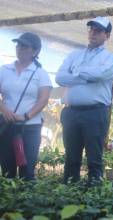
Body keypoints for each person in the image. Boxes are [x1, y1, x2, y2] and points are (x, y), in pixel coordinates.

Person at [55, 17, 113, 184]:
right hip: (71, 112)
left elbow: (101, 74)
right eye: (91, 29)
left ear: (107, 35)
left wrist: (75, 73)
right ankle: (69, 192)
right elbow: (60, 78)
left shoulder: (111, 58)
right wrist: (87, 76)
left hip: (95, 113)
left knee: (94, 158)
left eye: (98, 30)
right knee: (71, 157)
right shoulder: (74, 54)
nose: (93, 33)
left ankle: (95, 197)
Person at [0, 32, 52, 180]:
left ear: (35, 51)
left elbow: (43, 99)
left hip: (30, 127)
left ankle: (25, 201)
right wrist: (4, 110)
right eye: (18, 45)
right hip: (7, 125)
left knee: (27, 170)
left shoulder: (41, 73)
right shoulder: (4, 70)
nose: (19, 48)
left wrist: (25, 116)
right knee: (7, 169)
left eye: (24, 46)